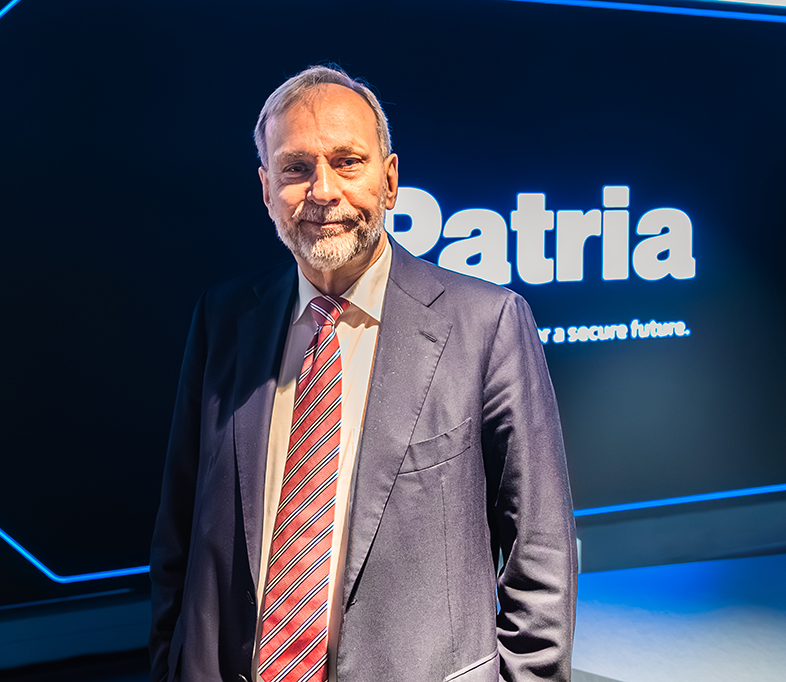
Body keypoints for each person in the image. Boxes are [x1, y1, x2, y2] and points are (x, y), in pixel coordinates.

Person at [149, 65, 577, 682]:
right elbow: (178, 534)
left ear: (390, 180)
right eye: (296, 168)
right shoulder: (224, 321)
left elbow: (541, 550)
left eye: (347, 162)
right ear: (266, 189)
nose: (323, 190)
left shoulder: (487, 325)